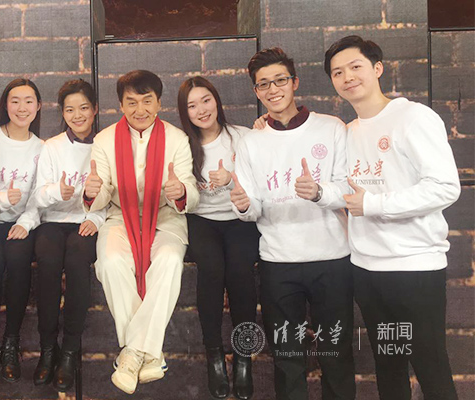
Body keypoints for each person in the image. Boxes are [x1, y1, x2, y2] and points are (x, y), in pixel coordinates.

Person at [324, 35, 460, 400]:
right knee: (388, 365)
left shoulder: (413, 118)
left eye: (355, 67)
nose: (348, 77)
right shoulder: (349, 131)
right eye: (338, 72)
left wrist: (373, 204)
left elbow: (445, 187)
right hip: (367, 270)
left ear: (377, 68)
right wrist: (319, 193)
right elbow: (346, 191)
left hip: (414, 267)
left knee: (431, 366)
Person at [231, 47, 356, 399]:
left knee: (336, 353)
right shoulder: (251, 142)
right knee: (286, 358)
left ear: (294, 82)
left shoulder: (331, 128)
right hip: (278, 262)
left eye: (280, 80)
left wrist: (319, 192)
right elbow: (252, 207)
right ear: (256, 91)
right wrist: (244, 205)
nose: (273, 89)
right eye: (264, 84)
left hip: (332, 258)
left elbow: (348, 187)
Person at [83, 70, 199, 394]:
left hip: (166, 217)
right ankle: (151, 353)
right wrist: (93, 191)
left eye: (147, 101)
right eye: (131, 102)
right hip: (119, 216)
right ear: (121, 105)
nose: (140, 109)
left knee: (170, 261)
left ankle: (132, 353)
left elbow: (191, 190)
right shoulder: (104, 140)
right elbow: (101, 196)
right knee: (110, 262)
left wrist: (180, 191)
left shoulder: (177, 139)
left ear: (159, 103)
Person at [14, 79, 106, 391]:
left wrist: (95, 217)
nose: (77, 115)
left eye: (83, 108)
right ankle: (48, 348)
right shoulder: (51, 147)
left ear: (95, 110)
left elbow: (113, 196)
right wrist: (58, 191)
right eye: (69, 110)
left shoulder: (105, 145)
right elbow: (38, 196)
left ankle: (69, 350)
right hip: (53, 221)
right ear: (62, 113)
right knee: (48, 261)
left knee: (78, 261)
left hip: (85, 222)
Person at [176, 76, 259, 400]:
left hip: (240, 218)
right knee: (211, 271)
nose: (201, 110)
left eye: (206, 100)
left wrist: (232, 180)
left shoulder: (243, 137)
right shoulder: (182, 146)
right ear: (184, 112)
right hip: (202, 220)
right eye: (192, 105)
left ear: (217, 100)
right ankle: (214, 356)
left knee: (240, 272)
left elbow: (261, 183)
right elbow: (178, 197)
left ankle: (243, 357)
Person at [0, 78, 44, 385]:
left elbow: (40, 198)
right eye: (15, 101)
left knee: (18, 262)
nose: (22, 108)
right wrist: (1, 199)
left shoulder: (42, 148)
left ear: (38, 106)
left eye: (29, 101)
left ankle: (11, 342)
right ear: (6, 105)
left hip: (21, 225)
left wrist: (24, 223)